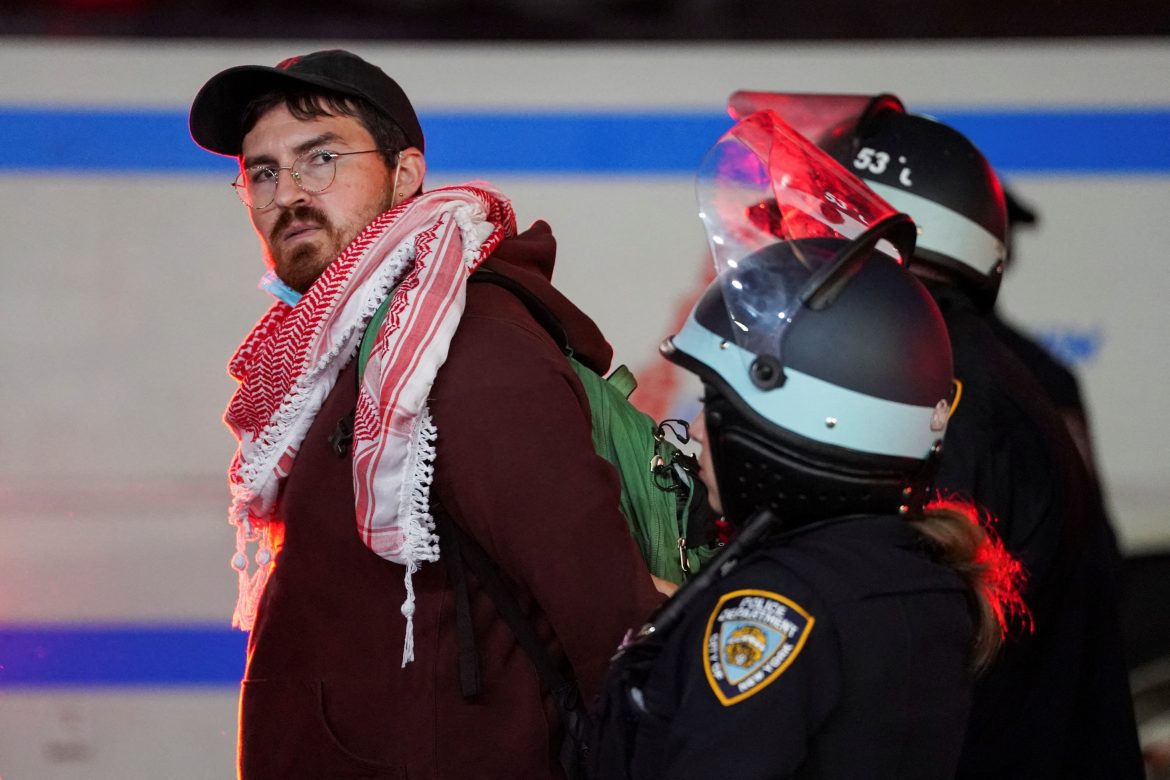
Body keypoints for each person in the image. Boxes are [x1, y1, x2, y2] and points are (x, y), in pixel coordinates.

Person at [188, 49, 662, 779]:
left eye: (320, 159)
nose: (287, 194)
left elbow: (607, 617)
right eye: (263, 172)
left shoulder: (463, 344)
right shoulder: (345, 350)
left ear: (404, 175)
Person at [590, 110, 1024, 779]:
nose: (698, 432)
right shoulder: (922, 572)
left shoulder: (772, 609)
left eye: (719, 409)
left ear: (799, 426)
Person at [728, 91, 1143, 777]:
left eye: (819, 229)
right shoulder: (961, 368)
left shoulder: (946, 388)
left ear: (882, 242)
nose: (798, 254)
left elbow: (902, 638)